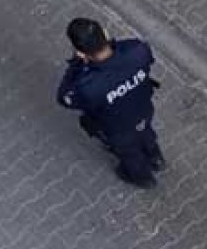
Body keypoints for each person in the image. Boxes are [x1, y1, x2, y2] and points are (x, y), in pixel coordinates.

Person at [56, 18, 165, 189]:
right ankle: (156, 158)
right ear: (105, 33)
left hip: (118, 129)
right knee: (146, 134)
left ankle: (142, 178)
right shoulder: (137, 50)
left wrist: (76, 65)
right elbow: (146, 60)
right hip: (144, 110)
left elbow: (64, 98)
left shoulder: (87, 86)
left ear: (81, 53)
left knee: (129, 154)